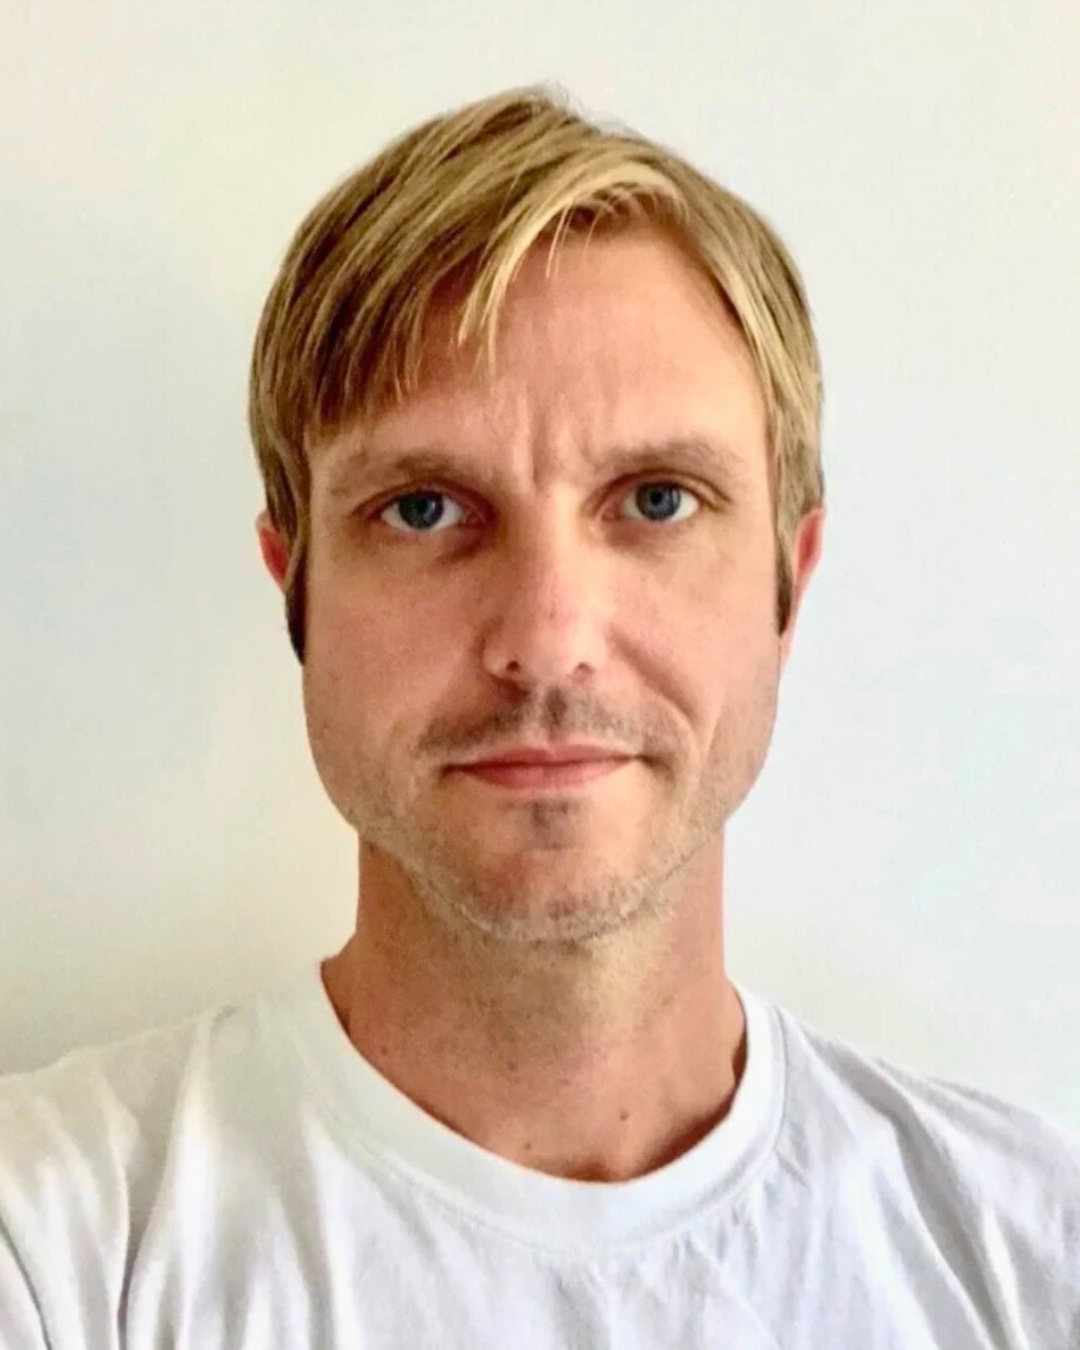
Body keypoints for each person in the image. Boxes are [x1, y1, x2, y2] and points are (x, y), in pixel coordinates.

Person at [1, 84, 1077, 1349]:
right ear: (294, 587)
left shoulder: (1027, 1260)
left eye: (659, 501)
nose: (547, 641)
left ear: (794, 579)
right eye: (424, 509)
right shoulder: (56, 1248)